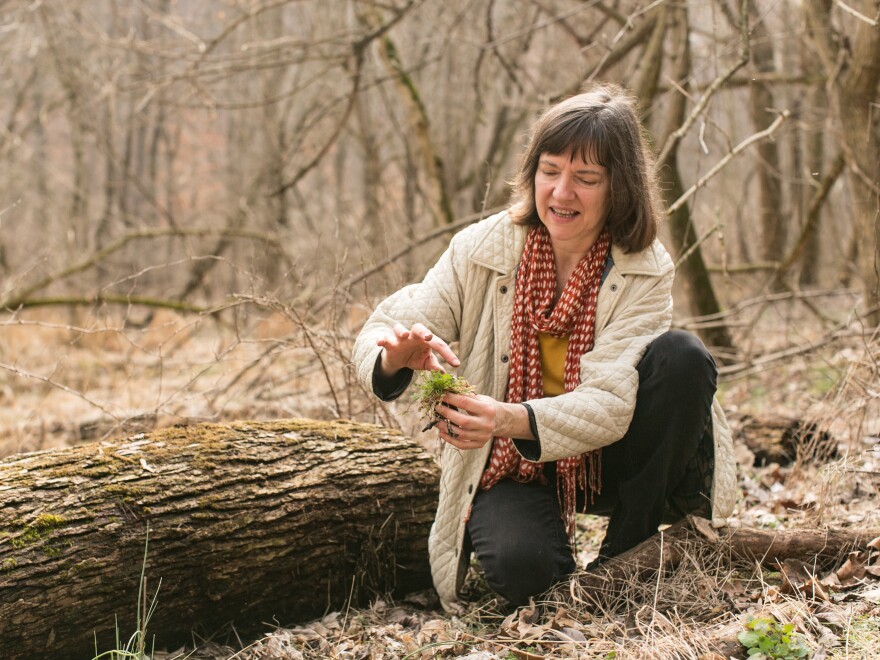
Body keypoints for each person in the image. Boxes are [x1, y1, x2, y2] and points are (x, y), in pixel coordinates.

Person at [352, 83, 736, 613]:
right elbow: (385, 324)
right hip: (514, 461)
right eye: (550, 171)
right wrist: (394, 354)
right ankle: (548, 559)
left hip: (612, 456)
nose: (561, 193)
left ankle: (628, 553)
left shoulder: (644, 267)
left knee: (682, 357)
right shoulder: (483, 249)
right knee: (523, 572)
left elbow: (609, 401)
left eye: (586, 179)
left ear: (618, 187)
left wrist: (505, 417)